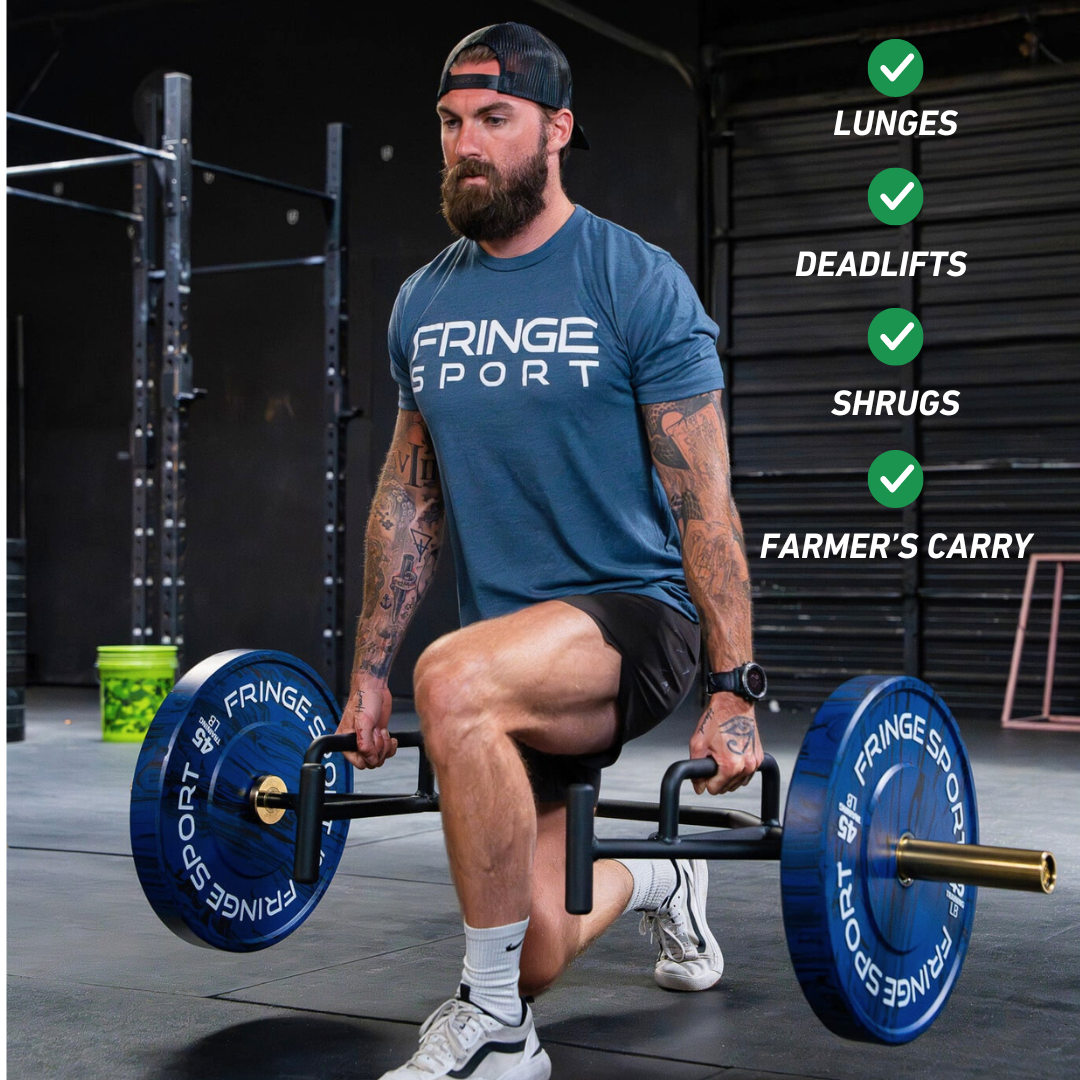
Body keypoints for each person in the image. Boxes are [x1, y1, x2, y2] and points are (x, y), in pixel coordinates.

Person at [336, 22, 766, 1080]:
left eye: (493, 119)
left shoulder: (635, 279)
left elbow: (703, 498)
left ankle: (495, 1031)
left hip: (635, 620)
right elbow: (409, 495)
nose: (465, 144)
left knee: (458, 677)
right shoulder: (423, 302)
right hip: (506, 647)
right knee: (532, 946)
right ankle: (661, 884)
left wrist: (734, 685)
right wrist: (365, 671)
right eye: (449, 123)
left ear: (556, 129)